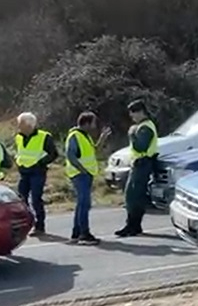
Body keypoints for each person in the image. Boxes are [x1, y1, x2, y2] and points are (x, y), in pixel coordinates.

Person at [65, 111, 112, 245]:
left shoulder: (85, 136)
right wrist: (82, 170)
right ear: (86, 123)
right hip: (80, 175)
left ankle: (77, 233)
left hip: (86, 174)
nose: (95, 125)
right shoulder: (75, 136)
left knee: (82, 204)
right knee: (84, 204)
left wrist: (102, 138)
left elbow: (94, 151)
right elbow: (70, 155)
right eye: (93, 122)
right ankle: (84, 234)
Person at [116, 100, 158, 237]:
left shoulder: (145, 128)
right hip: (139, 163)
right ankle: (132, 225)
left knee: (134, 196)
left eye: (133, 113)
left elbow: (141, 147)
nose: (132, 117)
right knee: (131, 195)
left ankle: (133, 225)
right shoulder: (142, 126)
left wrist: (132, 134)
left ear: (141, 112)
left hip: (143, 163)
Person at [13, 112, 58, 236]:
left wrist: (40, 163)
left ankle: (39, 226)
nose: (18, 126)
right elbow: (19, 151)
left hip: (37, 172)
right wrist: (18, 161)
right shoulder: (18, 136)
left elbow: (53, 154)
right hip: (24, 172)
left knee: (36, 199)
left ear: (29, 125)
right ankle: (25, 224)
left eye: (20, 124)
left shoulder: (44, 137)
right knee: (21, 199)